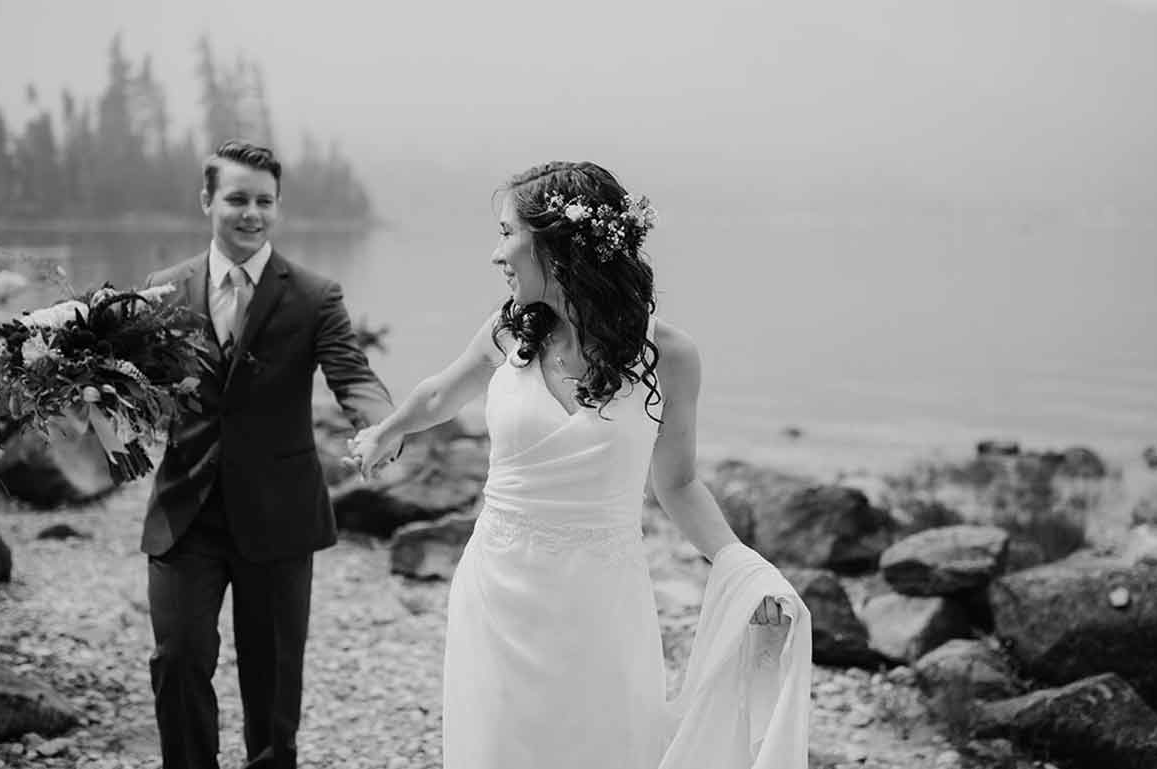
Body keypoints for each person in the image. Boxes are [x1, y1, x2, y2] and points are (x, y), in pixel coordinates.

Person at [347, 161, 812, 768]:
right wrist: (386, 431)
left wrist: (745, 568)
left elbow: (677, 484)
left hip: (602, 603)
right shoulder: (508, 332)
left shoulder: (670, 356)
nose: (496, 254)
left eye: (507, 233)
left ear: (558, 246)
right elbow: (440, 394)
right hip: (497, 592)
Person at [141, 139, 394, 769]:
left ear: (278, 206)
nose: (251, 214)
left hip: (280, 516)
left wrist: (381, 426)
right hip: (187, 513)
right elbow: (132, 383)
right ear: (206, 200)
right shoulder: (162, 291)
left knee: (273, 685)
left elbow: (353, 375)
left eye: (264, 201)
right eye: (237, 199)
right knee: (177, 659)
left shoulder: (314, 295)